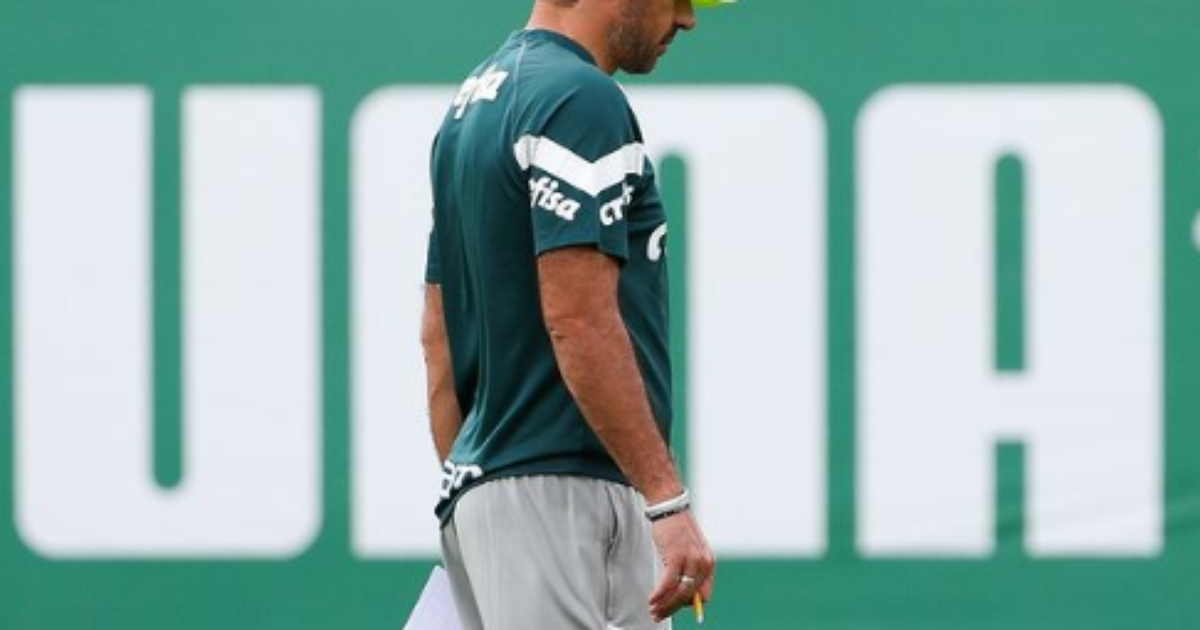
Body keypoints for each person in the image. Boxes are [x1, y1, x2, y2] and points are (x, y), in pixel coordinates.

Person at [421, 0, 728, 627]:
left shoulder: (470, 108)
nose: (688, 19)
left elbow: (437, 338)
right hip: (570, 494)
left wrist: (477, 491)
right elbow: (579, 318)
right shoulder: (579, 98)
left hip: (492, 494)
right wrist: (666, 502)